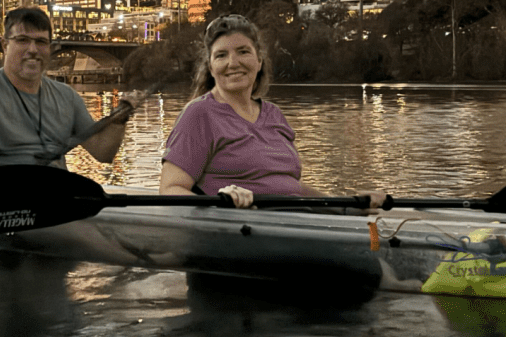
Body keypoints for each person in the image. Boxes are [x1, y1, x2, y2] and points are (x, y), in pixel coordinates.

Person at [159, 13, 385, 210]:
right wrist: (219, 203)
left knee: (375, 242)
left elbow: (289, 187)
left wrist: (348, 206)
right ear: (211, 67)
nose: (233, 62)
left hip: (293, 225)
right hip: (241, 234)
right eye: (221, 55)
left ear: (259, 61)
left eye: (243, 51)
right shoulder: (199, 114)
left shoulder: (274, 114)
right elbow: (170, 190)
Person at [0, 7, 144, 179]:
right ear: (5, 45)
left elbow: (103, 153)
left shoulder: (67, 97)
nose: (33, 50)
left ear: (49, 48)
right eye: (23, 40)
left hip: (55, 200)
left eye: (41, 42)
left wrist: (120, 119)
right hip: (3, 205)